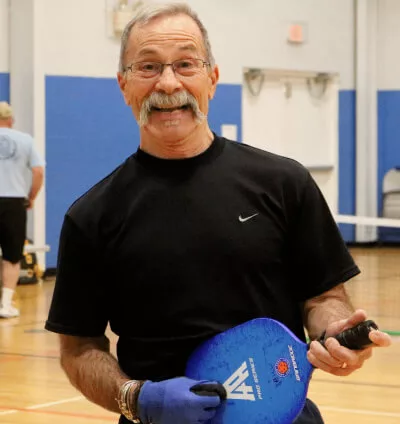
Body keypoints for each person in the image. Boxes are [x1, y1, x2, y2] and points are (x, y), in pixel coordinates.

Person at [45, 3, 392, 424]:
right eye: (148, 67)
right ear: (124, 85)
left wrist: (333, 330)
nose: (168, 83)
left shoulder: (284, 182)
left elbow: (323, 297)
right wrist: (136, 398)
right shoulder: (91, 216)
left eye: (186, 64)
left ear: (212, 77)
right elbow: (79, 349)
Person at [0, 101, 45, 318]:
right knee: (12, 256)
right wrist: (31, 198)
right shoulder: (25, 140)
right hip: (14, 202)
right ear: (11, 120)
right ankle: (5, 304)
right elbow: (38, 172)